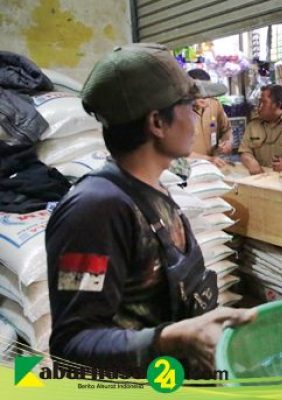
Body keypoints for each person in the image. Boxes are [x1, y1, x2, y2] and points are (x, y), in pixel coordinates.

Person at [46, 43, 255, 379]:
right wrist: (170, 339)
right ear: (158, 122)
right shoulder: (94, 212)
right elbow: (72, 344)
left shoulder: (155, 188)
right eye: (191, 107)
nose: (196, 117)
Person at [238, 84, 282, 174]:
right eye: (259, 102)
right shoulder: (253, 125)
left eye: (263, 102)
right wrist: (251, 162)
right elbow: (245, 151)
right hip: (260, 179)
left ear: (277, 105)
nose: (259, 106)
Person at [186, 68, 232, 168]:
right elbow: (177, 153)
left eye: (208, 90)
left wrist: (227, 142)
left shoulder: (215, 105)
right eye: (200, 91)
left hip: (214, 167)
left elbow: (226, 129)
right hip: (190, 168)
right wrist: (209, 159)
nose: (205, 95)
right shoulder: (179, 112)